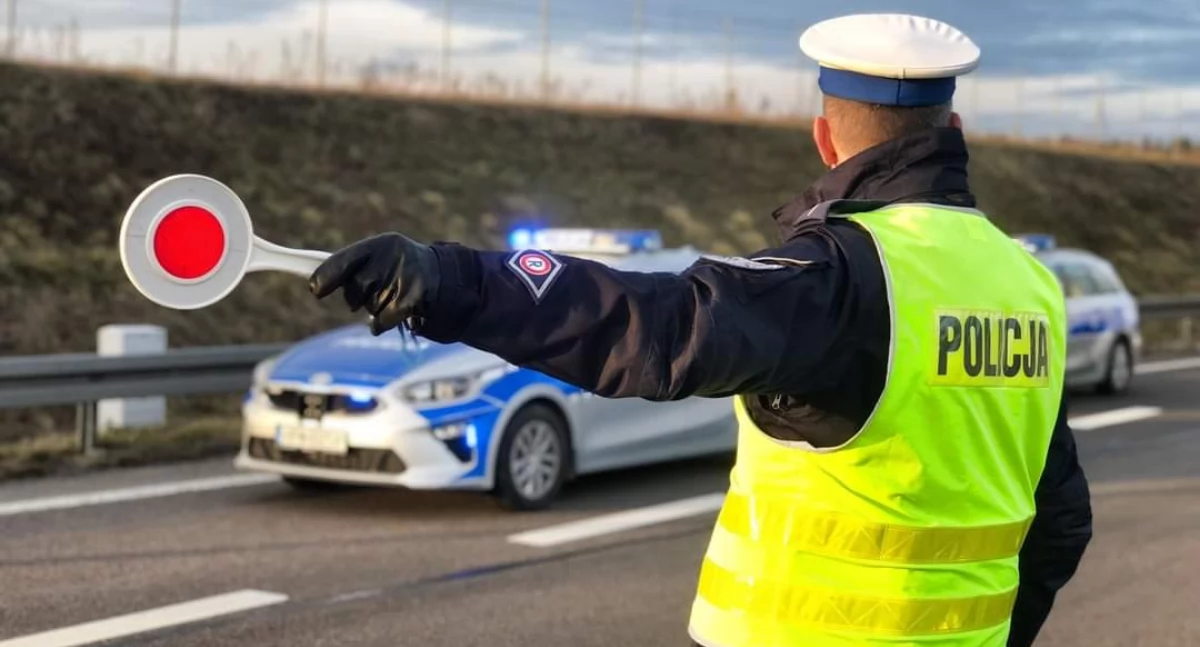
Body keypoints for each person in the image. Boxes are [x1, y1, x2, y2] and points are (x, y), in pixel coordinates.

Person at [307, 12, 1092, 647]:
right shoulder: (1028, 286)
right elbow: (1060, 519)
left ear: (825, 138)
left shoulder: (846, 276)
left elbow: (661, 323)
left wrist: (452, 280)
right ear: (952, 126)